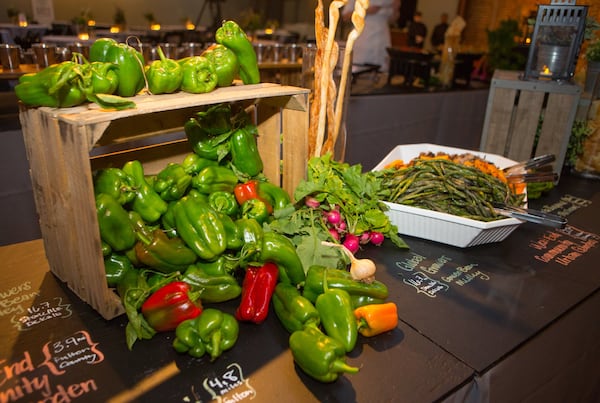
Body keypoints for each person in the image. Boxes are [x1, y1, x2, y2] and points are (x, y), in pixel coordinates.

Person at [342, 0, 395, 72]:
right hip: (363, 36)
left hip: (382, 37)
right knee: (359, 70)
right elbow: (345, 16)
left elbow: (393, 19)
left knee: (381, 71)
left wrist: (395, 8)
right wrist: (366, 11)